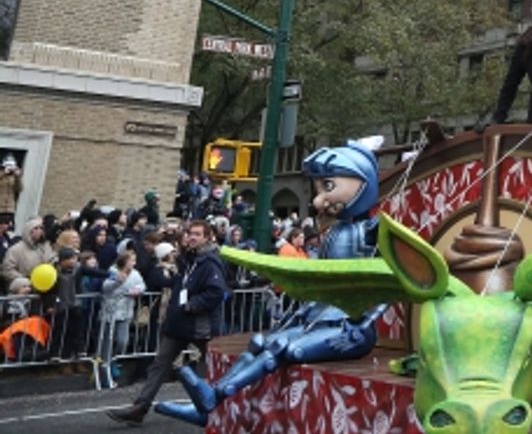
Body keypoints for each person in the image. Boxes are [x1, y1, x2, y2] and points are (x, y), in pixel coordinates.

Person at [157, 140, 387, 426]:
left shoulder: (373, 230)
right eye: (318, 189)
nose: (318, 200)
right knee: (259, 342)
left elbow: (393, 272)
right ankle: (210, 402)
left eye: (327, 187)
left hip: (352, 326)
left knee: (284, 348)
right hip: (319, 314)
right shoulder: (336, 230)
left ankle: (213, 399)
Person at [106, 220, 227, 427]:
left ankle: (227, 408)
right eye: (190, 233)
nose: (192, 237)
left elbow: (216, 292)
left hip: (200, 325)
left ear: (207, 237)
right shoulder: (188, 259)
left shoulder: (210, 262)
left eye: (197, 234)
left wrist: (191, 305)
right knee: (159, 365)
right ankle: (140, 407)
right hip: (179, 323)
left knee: (215, 368)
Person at [97, 251, 146, 389]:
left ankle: (115, 360)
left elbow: (142, 285)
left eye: (135, 260)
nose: (134, 263)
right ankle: (105, 371)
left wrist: (138, 290)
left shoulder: (135, 273)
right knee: (107, 342)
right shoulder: (113, 271)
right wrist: (119, 281)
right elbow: (105, 288)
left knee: (123, 341)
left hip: (126, 312)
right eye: (132, 260)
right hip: (110, 313)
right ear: (124, 261)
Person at [0, 218, 52, 288]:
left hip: (43, 282)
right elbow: (7, 270)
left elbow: (50, 261)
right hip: (24, 284)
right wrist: (24, 278)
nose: (39, 231)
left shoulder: (44, 247)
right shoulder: (15, 249)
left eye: (41, 228)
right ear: (28, 230)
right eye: (36, 228)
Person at [0, 154, 22, 222]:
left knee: (9, 226)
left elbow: (19, 189)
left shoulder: (14, 177)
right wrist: (3, 173)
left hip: (10, 208)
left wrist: (18, 178)